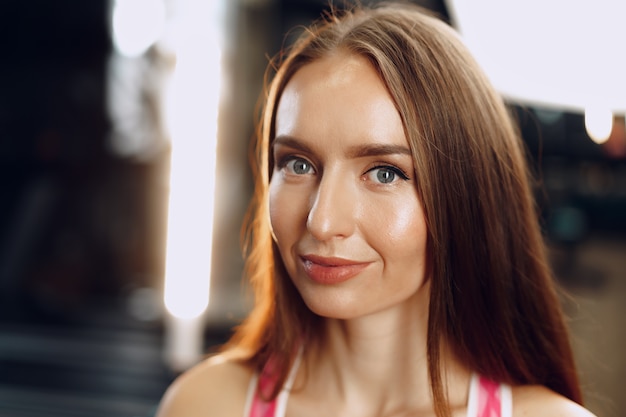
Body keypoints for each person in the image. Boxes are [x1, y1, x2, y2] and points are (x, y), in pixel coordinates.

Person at [156, 3, 596, 417]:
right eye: (298, 164)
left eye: (385, 173)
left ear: (466, 197)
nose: (322, 221)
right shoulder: (204, 404)